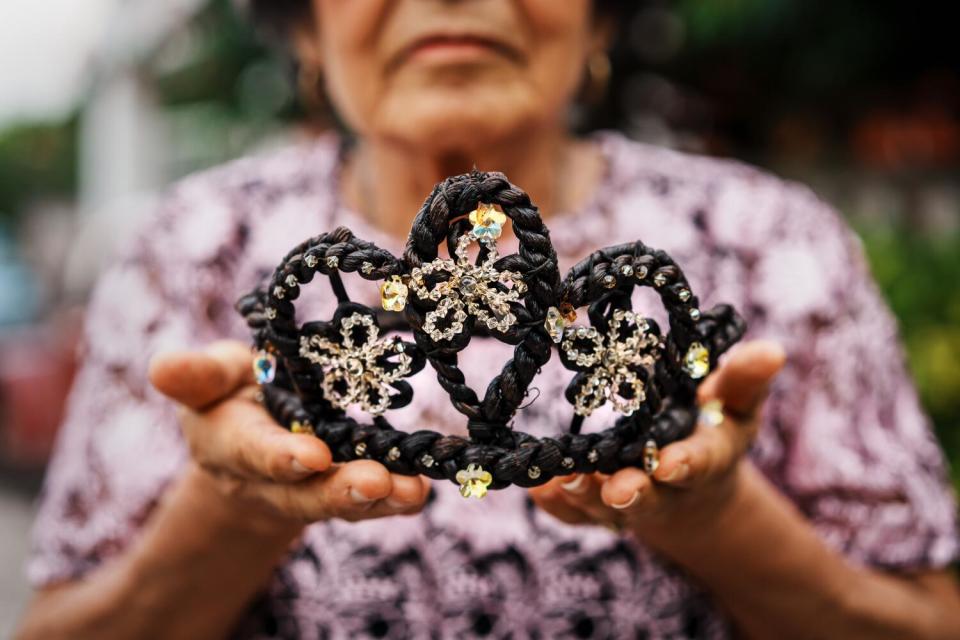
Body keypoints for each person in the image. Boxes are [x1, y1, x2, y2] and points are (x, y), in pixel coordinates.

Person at [15, 1, 960, 638]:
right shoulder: (191, 248)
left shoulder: (772, 243)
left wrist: (717, 520)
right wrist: (228, 510)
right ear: (303, 27)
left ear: (602, 17)